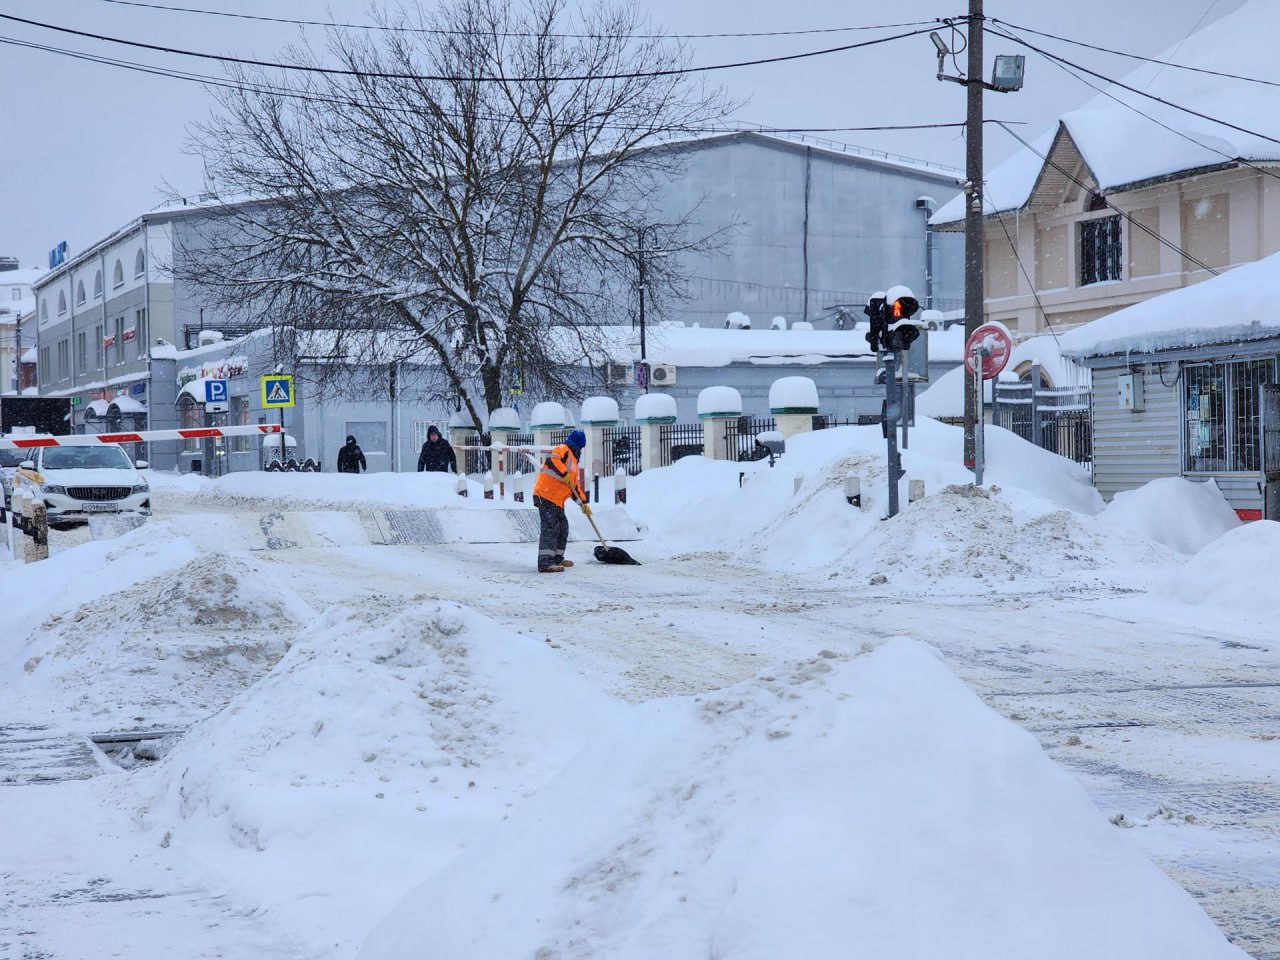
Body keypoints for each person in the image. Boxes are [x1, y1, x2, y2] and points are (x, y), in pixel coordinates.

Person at [531, 429, 588, 573]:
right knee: (551, 527)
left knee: (563, 526)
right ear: (578, 446)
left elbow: (574, 487)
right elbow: (552, 459)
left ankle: (557, 558)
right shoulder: (563, 449)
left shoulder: (574, 461)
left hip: (556, 499)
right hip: (545, 495)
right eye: (581, 447)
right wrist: (563, 473)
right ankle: (545, 562)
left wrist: (583, 503)